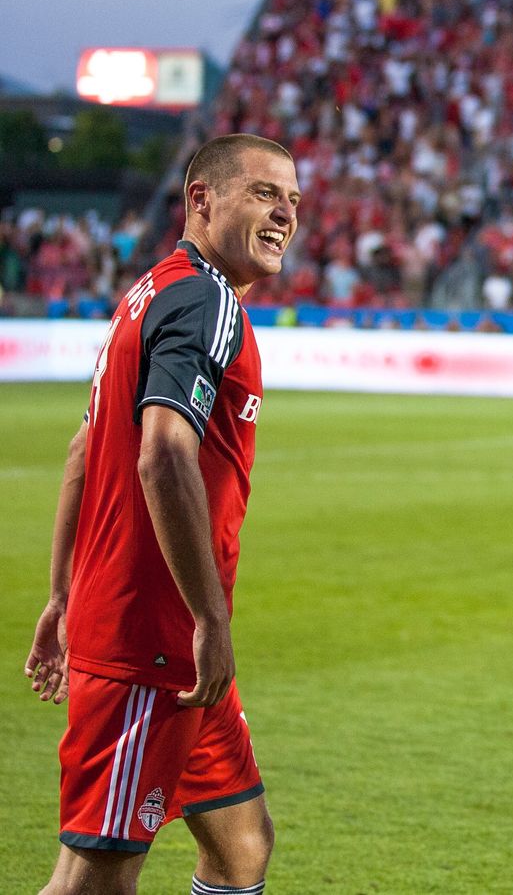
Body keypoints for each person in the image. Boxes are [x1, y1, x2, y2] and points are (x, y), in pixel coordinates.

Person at [24, 133, 301, 895]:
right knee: (95, 875)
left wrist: (59, 595)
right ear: (201, 200)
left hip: (165, 642)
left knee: (242, 843)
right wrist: (209, 620)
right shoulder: (206, 302)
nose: (285, 214)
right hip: (153, 637)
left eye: (294, 201)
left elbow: (84, 452)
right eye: (264, 193)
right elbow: (163, 454)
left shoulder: (147, 294)